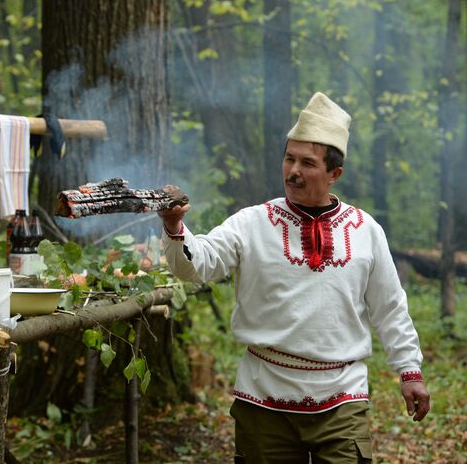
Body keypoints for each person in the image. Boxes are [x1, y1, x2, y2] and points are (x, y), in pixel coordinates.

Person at [159, 92, 430, 463]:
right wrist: (175, 226)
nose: (293, 171)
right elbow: (197, 264)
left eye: (307, 162)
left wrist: (409, 370)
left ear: (335, 174)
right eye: (289, 158)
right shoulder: (252, 222)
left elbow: (390, 307)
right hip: (263, 397)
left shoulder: (366, 230)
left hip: (342, 399)